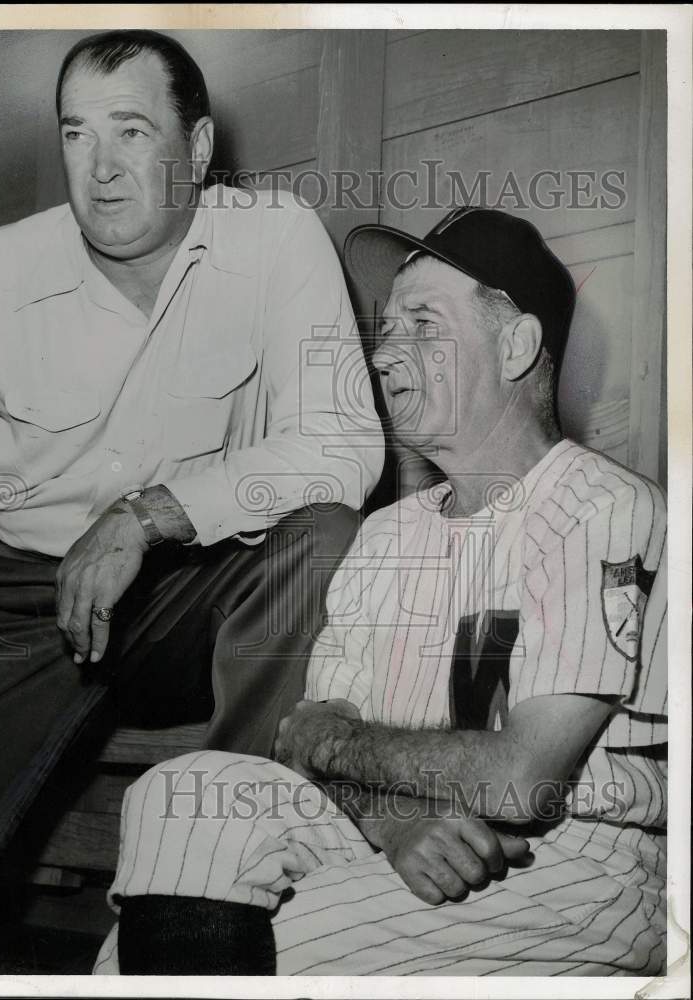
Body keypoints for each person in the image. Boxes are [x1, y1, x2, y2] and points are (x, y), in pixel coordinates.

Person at [0, 30, 383, 972]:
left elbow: (342, 446)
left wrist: (148, 513)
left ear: (199, 150)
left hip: (186, 589)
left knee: (324, 541)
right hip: (5, 594)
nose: (102, 167)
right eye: (76, 135)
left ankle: (210, 909)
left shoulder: (276, 237)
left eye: (131, 130)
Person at [93, 206, 668, 977]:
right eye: (386, 329)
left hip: (568, 863)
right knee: (181, 794)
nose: (386, 356)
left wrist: (338, 747)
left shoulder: (596, 506)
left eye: (422, 325)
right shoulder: (388, 532)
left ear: (516, 345)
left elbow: (521, 779)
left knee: (264, 953)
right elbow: (304, 736)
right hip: (396, 829)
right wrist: (391, 816)